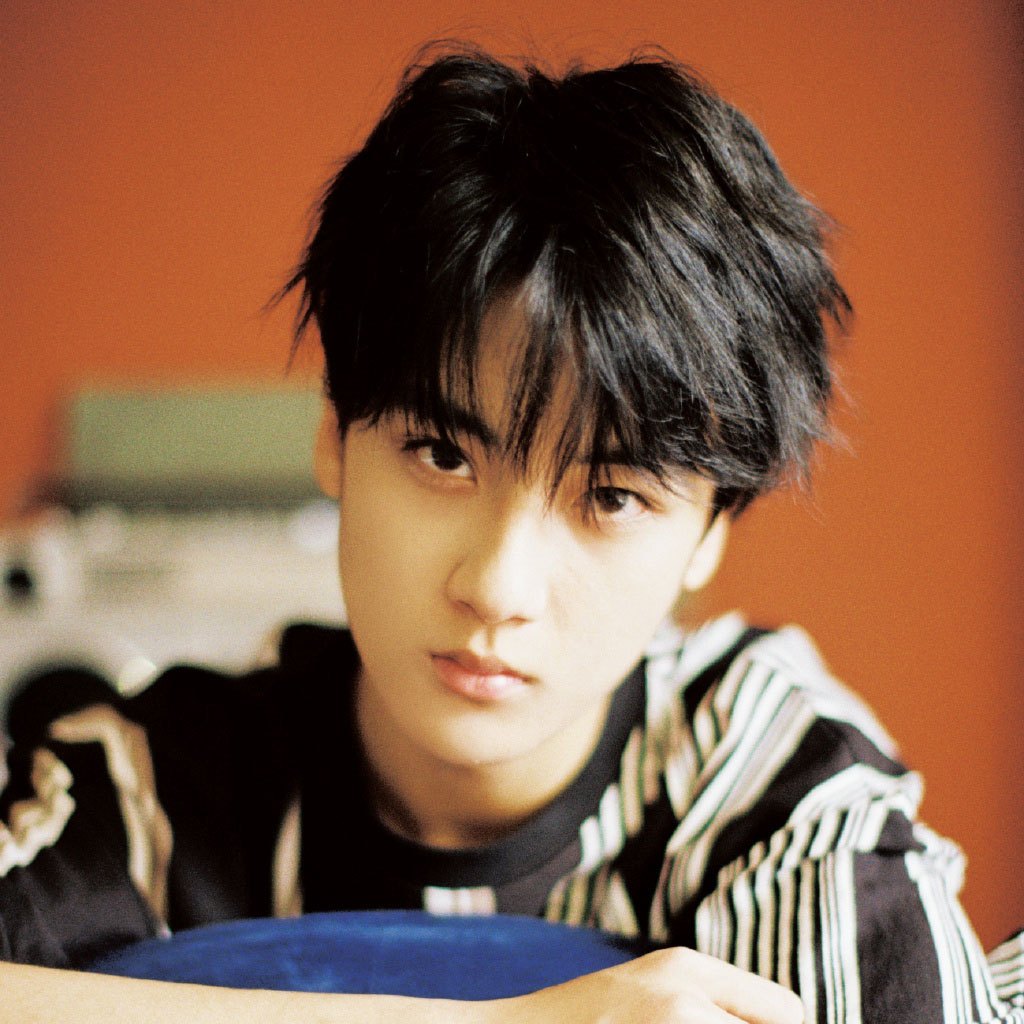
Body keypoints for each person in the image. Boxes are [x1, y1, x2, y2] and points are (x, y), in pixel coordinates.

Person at [1, 44, 1022, 1024]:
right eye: (444, 454)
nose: (497, 586)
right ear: (335, 435)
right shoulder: (152, 784)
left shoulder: (768, 777)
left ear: (712, 528)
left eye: (610, 497)